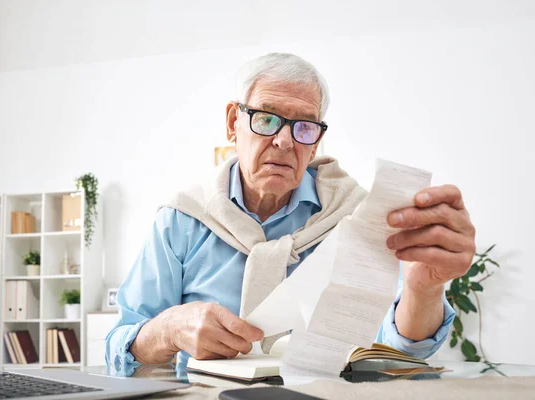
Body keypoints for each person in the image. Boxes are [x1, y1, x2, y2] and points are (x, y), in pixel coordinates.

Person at [106, 53, 475, 372]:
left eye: (304, 127)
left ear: (315, 142)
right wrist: (167, 330)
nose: (284, 141)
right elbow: (120, 345)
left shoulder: (356, 219)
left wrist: (424, 289)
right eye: (266, 118)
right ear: (234, 123)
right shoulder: (182, 219)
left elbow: (394, 353)